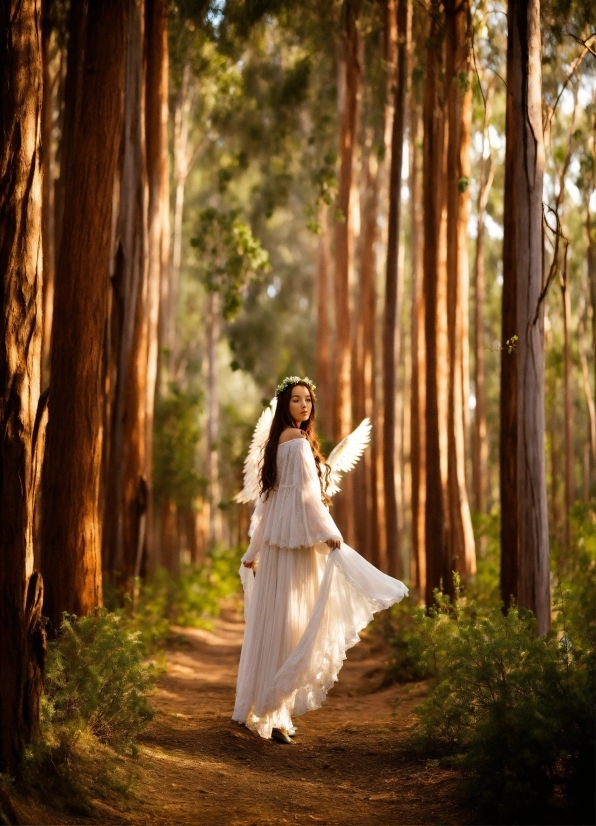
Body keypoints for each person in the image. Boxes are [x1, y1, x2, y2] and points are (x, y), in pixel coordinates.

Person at [232, 376, 408, 744]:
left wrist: (253, 552)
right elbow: (309, 498)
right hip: (297, 547)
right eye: (296, 400)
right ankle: (275, 715)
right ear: (285, 406)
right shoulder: (295, 443)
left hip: (282, 547)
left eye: (308, 400)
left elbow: (266, 507)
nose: (304, 405)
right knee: (294, 625)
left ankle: (260, 709)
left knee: (276, 623)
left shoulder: (276, 445)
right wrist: (328, 533)